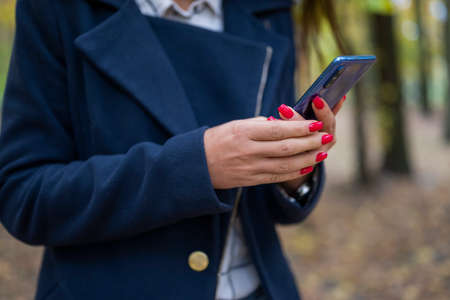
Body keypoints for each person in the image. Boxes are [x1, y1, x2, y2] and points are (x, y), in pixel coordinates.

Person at [0, 0, 344, 299]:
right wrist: (196, 167)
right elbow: (24, 194)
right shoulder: (59, 9)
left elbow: (271, 210)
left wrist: (295, 167)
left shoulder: (269, 8)